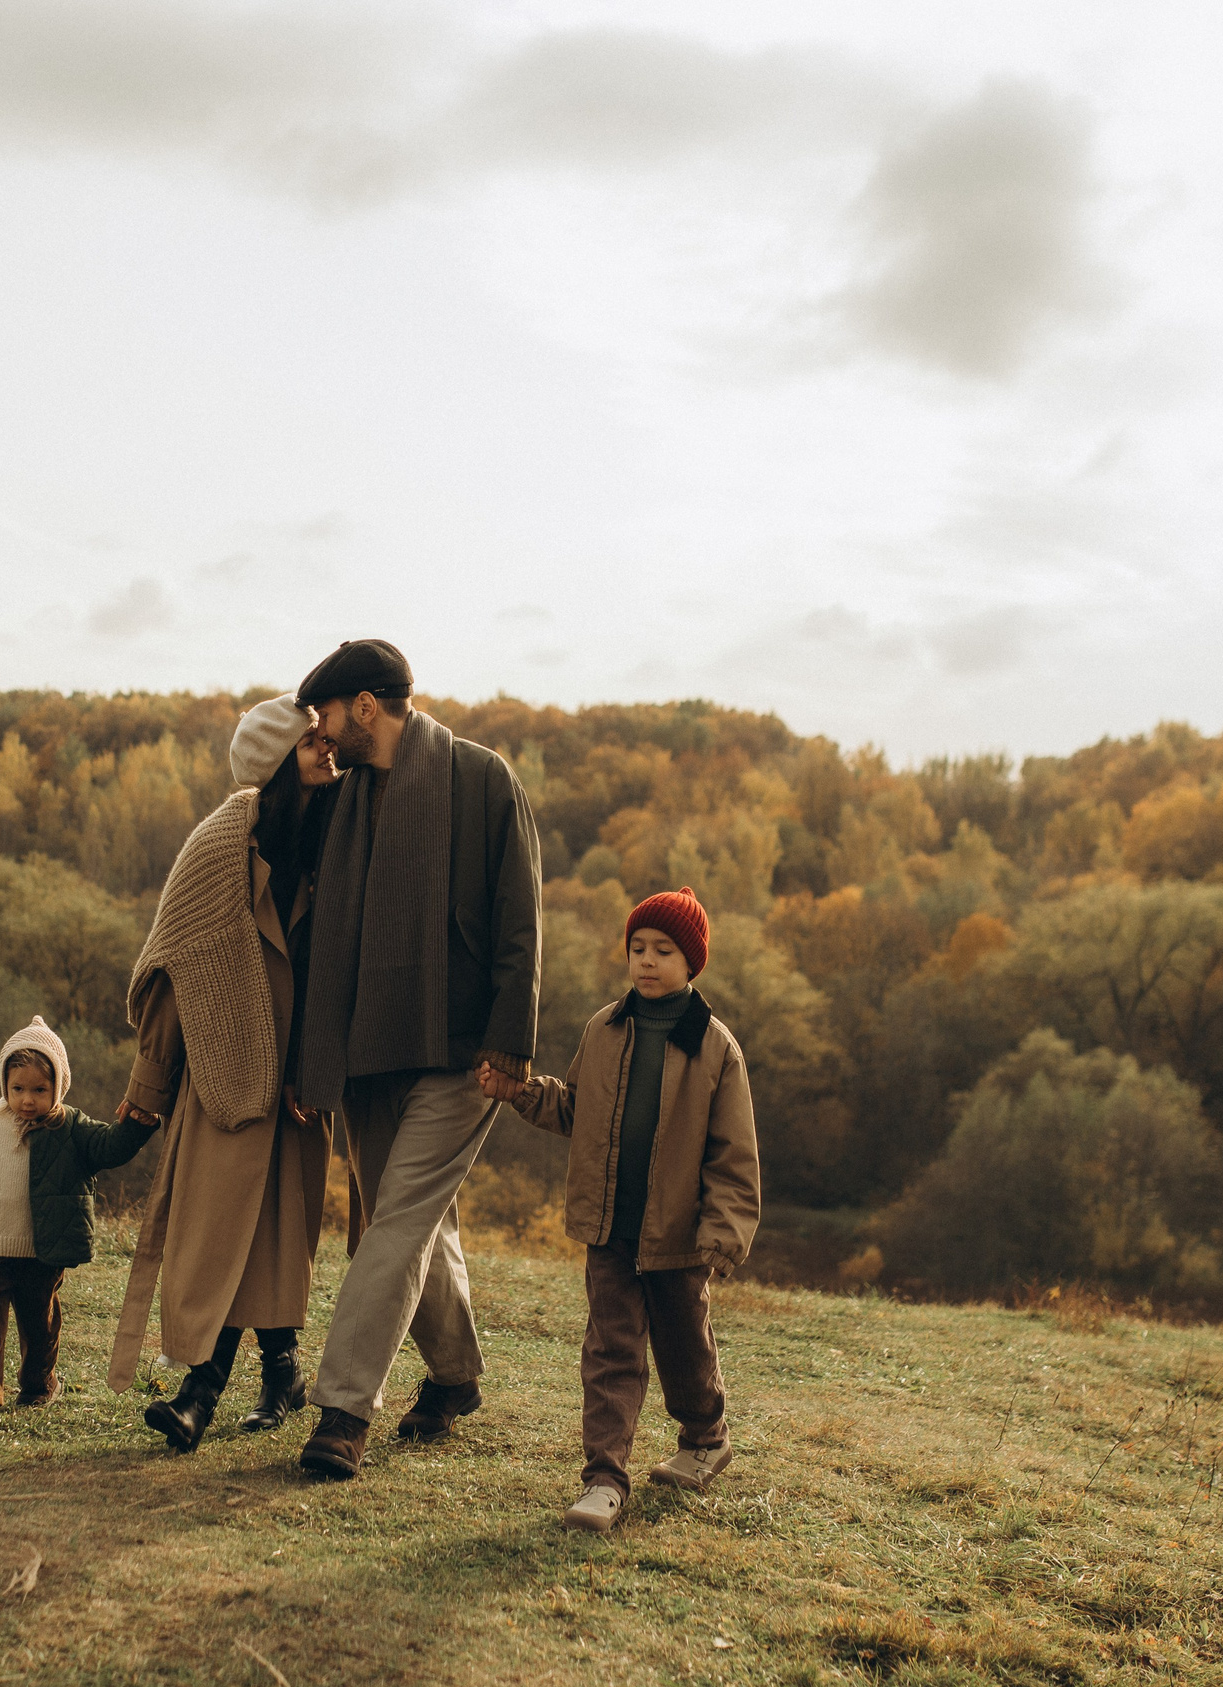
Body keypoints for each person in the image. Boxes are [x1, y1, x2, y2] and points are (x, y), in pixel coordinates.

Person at [290, 639, 543, 1481]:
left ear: (365, 706)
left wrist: (511, 1042)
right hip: (367, 1047)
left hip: (463, 1052)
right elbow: (303, 906)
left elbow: (519, 921)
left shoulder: (480, 779)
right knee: (419, 1219)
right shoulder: (338, 798)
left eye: (324, 716)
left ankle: (341, 1410)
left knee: (392, 1220)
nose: (320, 734)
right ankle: (457, 1377)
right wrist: (301, 786)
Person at [475, 886, 761, 1531]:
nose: (647, 961)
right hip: (609, 1228)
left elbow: (734, 1154)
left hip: (679, 1236)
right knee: (612, 1348)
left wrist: (724, 1230)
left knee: (684, 1345)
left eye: (663, 950)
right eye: (638, 948)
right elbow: (575, 1109)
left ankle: (705, 1438)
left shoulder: (716, 1048)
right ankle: (605, 1478)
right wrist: (520, 1092)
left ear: (692, 963)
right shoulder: (603, 1030)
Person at [107, 694, 340, 1450]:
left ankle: (265, 1375)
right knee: (217, 1237)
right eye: (311, 744)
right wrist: (149, 1090)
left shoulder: (335, 834)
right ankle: (209, 1388)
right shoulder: (218, 847)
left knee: (273, 1235)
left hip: (300, 1081)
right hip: (224, 1069)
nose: (327, 751)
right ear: (277, 762)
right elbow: (178, 975)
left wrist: (324, 1070)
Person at [0, 1015, 156, 1434]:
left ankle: (38, 1385)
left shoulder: (70, 1126)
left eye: (40, 1089)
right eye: (18, 1089)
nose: (28, 1099)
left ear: (59, 1087)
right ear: (4, 1084)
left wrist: (137, 1125)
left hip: (41, 1250)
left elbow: (110, 1148)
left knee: (40, 1321)